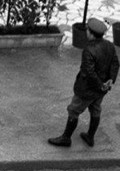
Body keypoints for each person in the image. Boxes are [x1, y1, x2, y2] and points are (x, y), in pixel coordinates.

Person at [48, 17, 120, 147]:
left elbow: (89, 73)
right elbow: (115, 63)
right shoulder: (109, 45)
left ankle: (66, 138)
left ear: (90, 33)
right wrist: (110, 80)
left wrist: (100, 85)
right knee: (96, 110)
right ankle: (90, 137)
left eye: (87, 30)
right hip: (101, 90)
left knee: (74, 110)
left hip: (87, 90)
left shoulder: (89, 50)